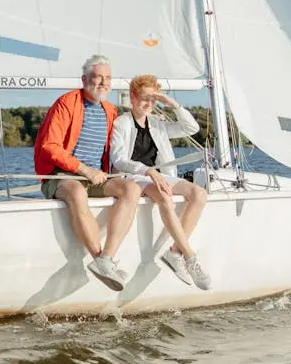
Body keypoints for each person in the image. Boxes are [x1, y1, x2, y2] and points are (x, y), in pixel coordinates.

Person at [33, 55, 143, 292]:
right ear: (84, 79)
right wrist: (84, 170)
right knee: (75, 190)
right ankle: (97, 257)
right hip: (61, 175)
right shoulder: (66, 103)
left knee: (131, 189)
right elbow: (49, 146)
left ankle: (107, 260)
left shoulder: (110, 110)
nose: (104, 82)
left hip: (97, 175)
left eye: (108, 78)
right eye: (98, 77)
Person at [109, 74, 211, 290]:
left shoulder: (158, 124)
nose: (148, 104)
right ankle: (190, 257)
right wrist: (147, 171)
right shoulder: (122, 123)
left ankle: (175, 253)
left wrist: (171, 103)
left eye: (153, 100)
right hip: (133, 177)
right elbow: (117, 158)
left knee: (199, 194)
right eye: (144, 98)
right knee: (165, 198)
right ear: (133, 98)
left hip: (159, 176)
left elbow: (191, 128)